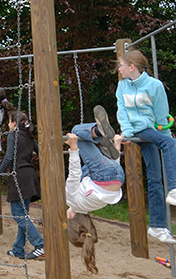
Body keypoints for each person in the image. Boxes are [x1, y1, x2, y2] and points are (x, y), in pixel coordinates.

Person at [115, 50, 176, 245]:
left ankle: (157, 225)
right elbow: (122, 112)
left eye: (121, 65)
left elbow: (161, 114)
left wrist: (163, 136)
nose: (118, 68)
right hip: (138, 129)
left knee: (155, 176)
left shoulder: (154, 86)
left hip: (150, 128)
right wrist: (127, 133)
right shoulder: (122, 87)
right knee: (169, 143)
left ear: (131, 67)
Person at [63, 110, 126, 274]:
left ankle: (109, 147)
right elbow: (74, 173)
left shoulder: (94, 205)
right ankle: (99, 131)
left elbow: (111, 174)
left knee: (86, 177)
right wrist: (73, 148)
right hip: (102, 174)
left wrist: (117, 145)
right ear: (69, 217)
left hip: (118, 175)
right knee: (77, 131)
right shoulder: (72, 201)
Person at [0, 109, 44, 260]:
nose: (8, 125)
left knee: (18, 215)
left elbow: (8, 157)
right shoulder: (28, 136)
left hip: (19, 177)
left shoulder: (13, 135)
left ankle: (39, 244)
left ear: (14, 124)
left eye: (9, 121)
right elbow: (39, 150)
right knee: (24, 216)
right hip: (29, 176)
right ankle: (18, 249)